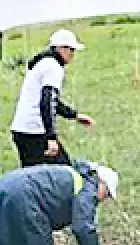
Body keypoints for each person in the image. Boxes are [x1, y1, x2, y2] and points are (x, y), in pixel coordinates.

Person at [10, 29, 93, 167]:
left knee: (34, 178)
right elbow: (47, 101)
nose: (72, 54)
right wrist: (51, 138)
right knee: (63, 173)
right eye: (71, 49)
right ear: (61, 48)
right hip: (33, 131)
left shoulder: (44, 62)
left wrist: (75, 115)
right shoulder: (53, 66)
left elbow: (52, 102)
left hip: (22, 129)